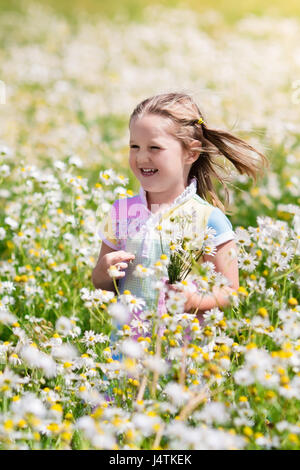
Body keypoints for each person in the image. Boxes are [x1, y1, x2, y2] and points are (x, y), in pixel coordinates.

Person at [92, 92, 269, 320]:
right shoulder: (121, 211)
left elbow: (230, 291)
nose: (141, 157)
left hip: (183, 349)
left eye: (154, 148)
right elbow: (100, 283)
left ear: (191, 153)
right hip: (127, 348)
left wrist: (196, 301)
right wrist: (104, 272)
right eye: (134, 146)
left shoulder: (208, 218)